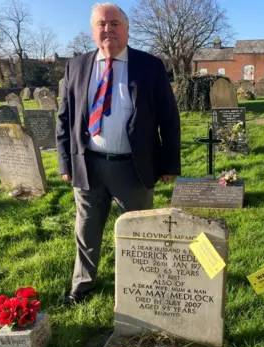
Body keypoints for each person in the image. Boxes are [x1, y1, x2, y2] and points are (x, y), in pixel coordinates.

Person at [56, 2, 181, 304]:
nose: (108, 29)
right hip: (89, 165)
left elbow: (169, 117)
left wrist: (169, 163)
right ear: (92, 31)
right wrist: (65, 161)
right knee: (86, 231)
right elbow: (65, 117)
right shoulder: (77, 66)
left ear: (126, 29)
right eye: (101, 24)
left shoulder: (149, 66)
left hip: (133, 167)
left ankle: (143, 286)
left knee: (142, 232)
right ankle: (82, 286)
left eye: (114, 24)